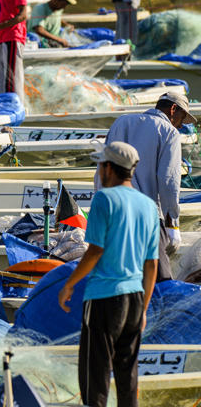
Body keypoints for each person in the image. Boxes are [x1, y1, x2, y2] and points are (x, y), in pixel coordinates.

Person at [58, 141, 159, 407]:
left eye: (100, 164)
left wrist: (69, 284)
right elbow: (152, 265)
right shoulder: (148, 206)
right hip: (136, 298)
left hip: (105, 298)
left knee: (95, 380)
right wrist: (145, 308)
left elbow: (95, 251)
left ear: (110, 168)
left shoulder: (104, 199)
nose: (99, 170)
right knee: (128, 378)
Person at [104, 92, 196, 281]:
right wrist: (173, 226)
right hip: (146, 217)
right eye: (181, 118)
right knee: (159, 279)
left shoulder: (121, 122)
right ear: (173, 109)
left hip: (114, 213)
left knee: (121, 276)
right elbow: (169, 182)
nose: (180, 125)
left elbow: (103, 170)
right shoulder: (168, 131)